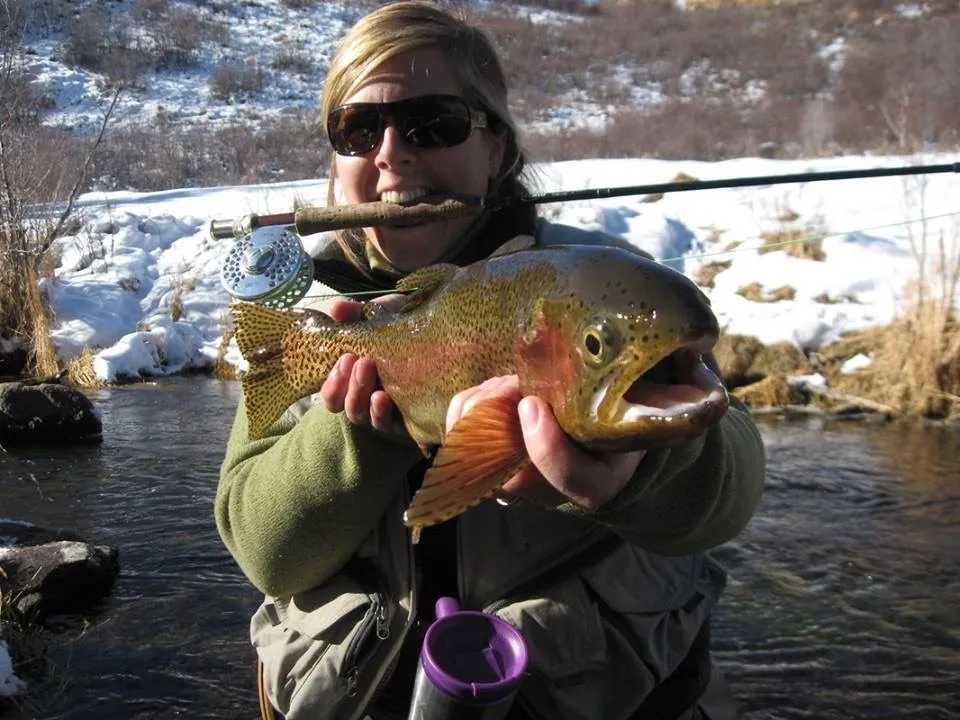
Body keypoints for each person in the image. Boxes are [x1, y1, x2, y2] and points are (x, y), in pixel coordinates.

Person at [216, 3, 766, 720]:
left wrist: (649, 470)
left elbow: (733, 489)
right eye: (357, 129)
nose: (390, 154)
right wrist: (359, 432)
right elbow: (265, 556)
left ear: (497, 151)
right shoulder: (314, 326)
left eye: (432, 124)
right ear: (336, 159)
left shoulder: (600, 285)